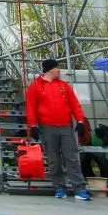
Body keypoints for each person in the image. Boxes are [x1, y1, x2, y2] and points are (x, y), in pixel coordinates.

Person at [24, 59, 90, 201]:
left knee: (72, 157)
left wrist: (80, 120)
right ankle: (59, 187)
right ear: (49, 70)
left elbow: (74, 104)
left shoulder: (64, 86)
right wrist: (33, 125)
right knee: (53, 159)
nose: (59, 70)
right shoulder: (35, 87)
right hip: (47, 127)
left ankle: (79, 188)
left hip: (66, 126)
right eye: (56, 68)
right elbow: (31, 107)